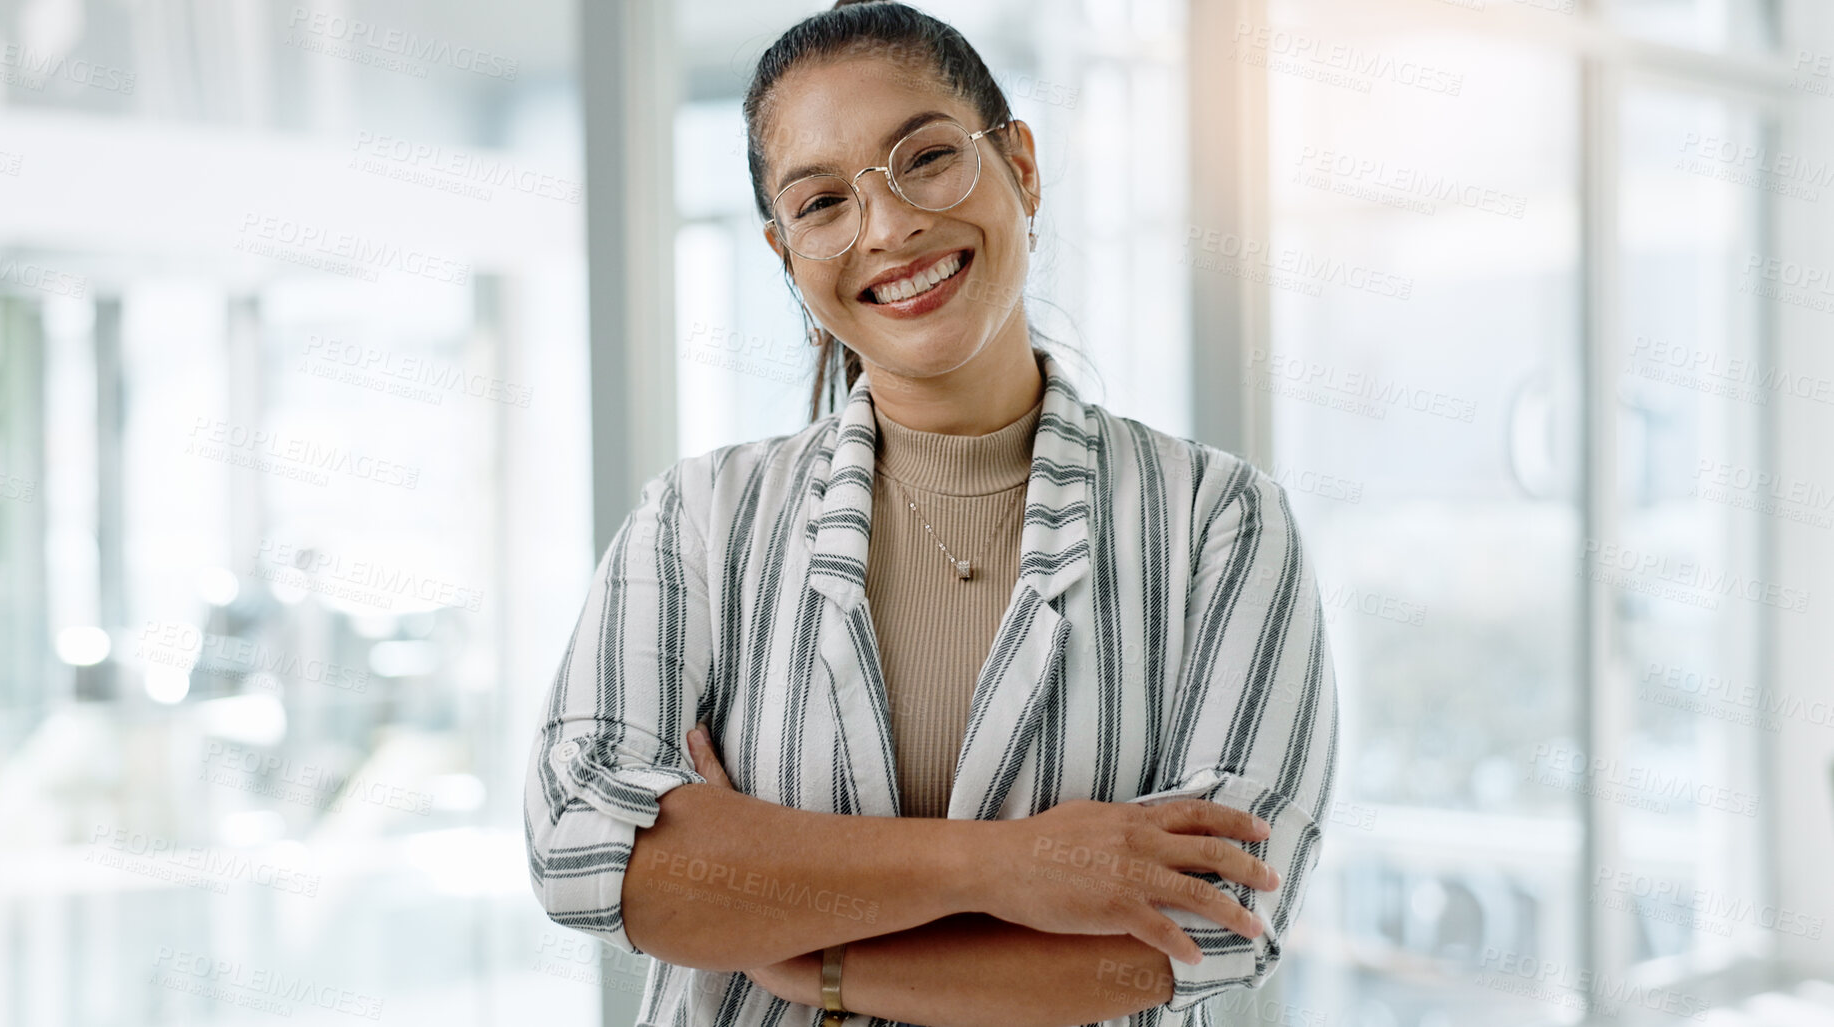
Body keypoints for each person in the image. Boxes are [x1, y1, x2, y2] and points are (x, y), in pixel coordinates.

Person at [523, 2, 1338, 1025]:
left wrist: (800, 954)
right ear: (785, 253)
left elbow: (1215, 919)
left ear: (1023, 167)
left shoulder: (1222, 523)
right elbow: (581, 844)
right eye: (821, 203)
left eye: (927, 157)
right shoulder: (698, 519)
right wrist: (1010, 866)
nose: (889, 224)